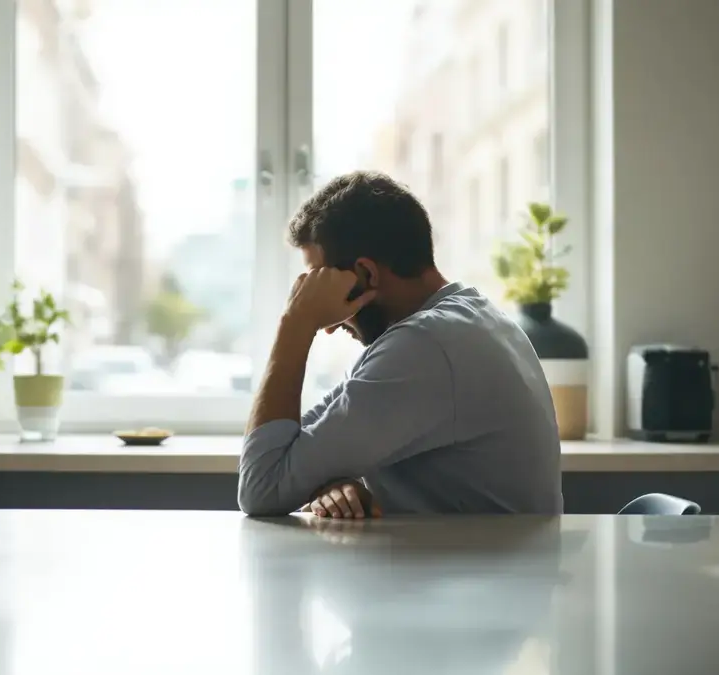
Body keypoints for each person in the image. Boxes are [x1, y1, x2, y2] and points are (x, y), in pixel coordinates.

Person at [237, 171, 563, 518]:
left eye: (322, 284)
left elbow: (263, 486)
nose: (329, 326)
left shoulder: (426, 346)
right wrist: (332, 481)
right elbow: (295, 448)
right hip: (480, 553)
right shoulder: (467, 319)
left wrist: (295, 324)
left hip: (478, 556)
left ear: (367, 273)